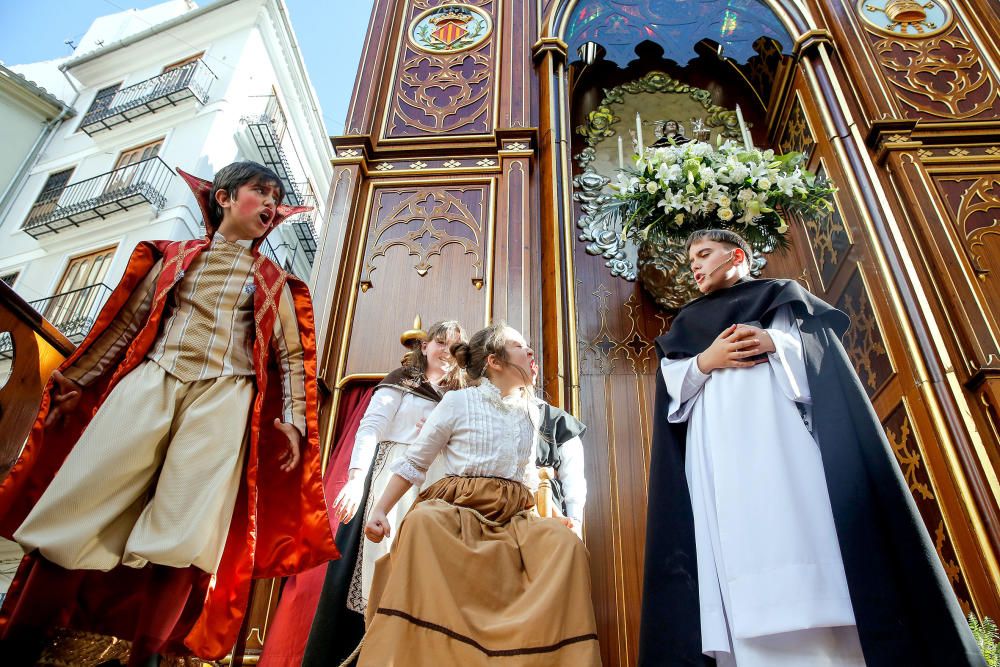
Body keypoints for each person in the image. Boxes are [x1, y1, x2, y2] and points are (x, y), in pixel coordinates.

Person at [0, 162, 337, 666]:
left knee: (186, 522)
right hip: (152, 381)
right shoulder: (173, 258)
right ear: (223, 197)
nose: (271, 203)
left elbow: (290, 355)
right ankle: (20, 640)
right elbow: (126, 325)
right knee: (84, 498)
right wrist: (78, 381)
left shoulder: (276, 282)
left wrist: (291, 418)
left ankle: (149, 656)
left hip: (224, 399)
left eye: (276, 197)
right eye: (260, 191)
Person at [638, 229, 984, 667]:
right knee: (731, 533)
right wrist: (707, 360)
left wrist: (774, 343)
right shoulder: (686, 323)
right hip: (716, 447)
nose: (696, 266)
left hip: (781, 432)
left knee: (797, 516)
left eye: (704, 254)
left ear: (737, 255)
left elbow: (821, 361)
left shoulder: (781, 296)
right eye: (691, 262)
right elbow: (674, 384)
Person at [356, 322, 601, 666]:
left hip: (514, 518)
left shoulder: (529, 411)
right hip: (459, 511)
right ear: (495, 362)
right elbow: (415, 463)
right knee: (423, 522)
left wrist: (551, 518)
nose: (530, 352)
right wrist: (380, 510)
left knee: (567, 546)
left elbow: (528, 479)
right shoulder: (457, 402)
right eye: (519, 346)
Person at [295, 320, 467, 667]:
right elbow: (371, 429)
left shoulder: (463, 396)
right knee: (379, 564)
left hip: (438, 485)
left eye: (454, 346)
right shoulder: (401, 383)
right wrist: (356, 480)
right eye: (440, 343)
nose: (446, 352)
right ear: (424, 346)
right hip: (391, 476)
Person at [529, 360, 588, 538]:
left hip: (547, 514)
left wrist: (574, 521)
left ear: (534, 371)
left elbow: (573, 477)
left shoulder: (556, 420)